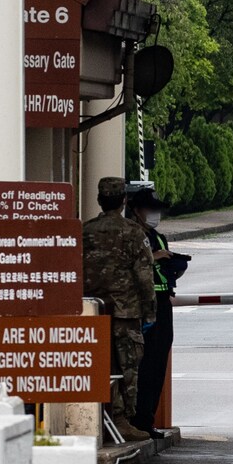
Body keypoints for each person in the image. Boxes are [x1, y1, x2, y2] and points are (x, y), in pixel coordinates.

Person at [83, 176, 156, 442]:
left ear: (99, 200)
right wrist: (150, 310)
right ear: (124, 200)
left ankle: (94, 416)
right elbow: (144, 275)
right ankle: (122, 419)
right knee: (127, 367)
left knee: (97, 364)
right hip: (126, 311)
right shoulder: (134, 232)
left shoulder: (84, 231)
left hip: (91, 311)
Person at [129, 185, 189, 437]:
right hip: (140, 305)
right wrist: (153, 257)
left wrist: (173, 264)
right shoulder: (130, 235)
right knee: (140, 366)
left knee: (157, 365)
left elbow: (162, 272)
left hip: (161, 303)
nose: (155, 214)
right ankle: (136, 420)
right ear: (136, 210)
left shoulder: (158, 236)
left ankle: (147, 420)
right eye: (149, 209)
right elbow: (126, 265)